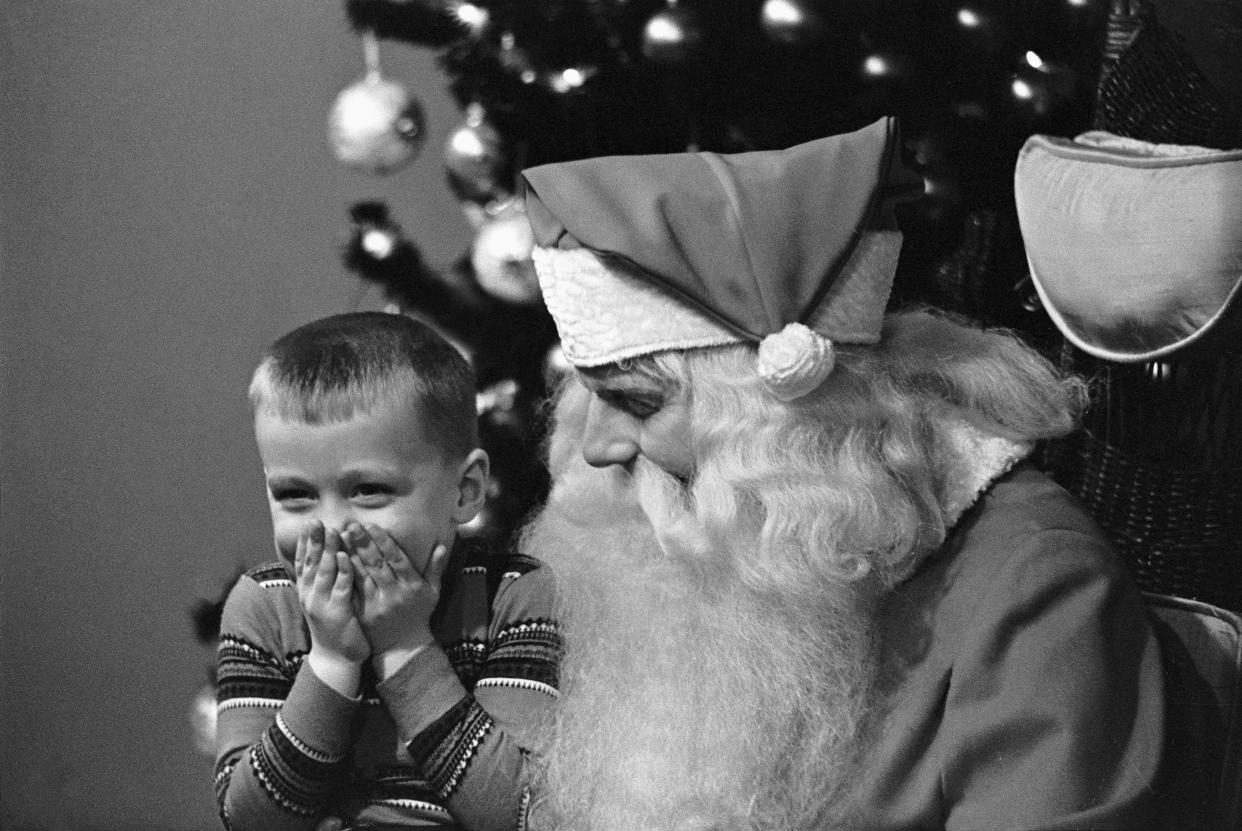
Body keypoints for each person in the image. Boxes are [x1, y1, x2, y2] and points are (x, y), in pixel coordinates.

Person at [514, 117, 1166, 830]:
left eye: (636, 402)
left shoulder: (1035, 584)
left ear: (773, 411)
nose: (599, 446)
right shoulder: (718, 551)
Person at [214, 311, 560, 830]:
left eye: (368, 490)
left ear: (465, 491)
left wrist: (404, 647)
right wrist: (330, 660)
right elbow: (251, 821)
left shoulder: (513, 596)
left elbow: (520, 813)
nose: (330, 527)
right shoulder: (263, 606)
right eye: (295, 495)